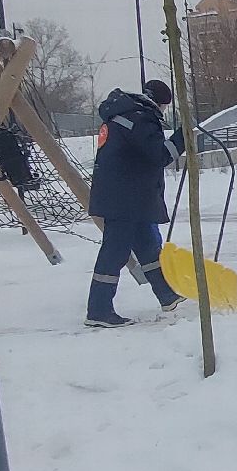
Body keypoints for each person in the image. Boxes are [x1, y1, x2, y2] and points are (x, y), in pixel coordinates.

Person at [85, 79, 185, 327]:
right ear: (160, 103)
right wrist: (184, 137)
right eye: (164, 107)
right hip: (125, 198)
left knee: (148, 247)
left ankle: (167, 295)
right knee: (114, 252)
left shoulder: (125, 115)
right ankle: (99, 311)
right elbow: (159, 155)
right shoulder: (139, 119)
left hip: (128, 196)